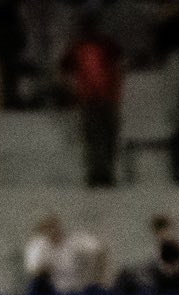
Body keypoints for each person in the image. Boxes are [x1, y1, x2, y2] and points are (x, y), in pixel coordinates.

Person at [61, 12, 123, 187]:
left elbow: (65, 68)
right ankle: (102, 173)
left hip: (94, 98)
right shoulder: (102, 44)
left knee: (98, 138)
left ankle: (100, 173)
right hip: (101, 98)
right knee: (103, 137)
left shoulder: (79, 46)